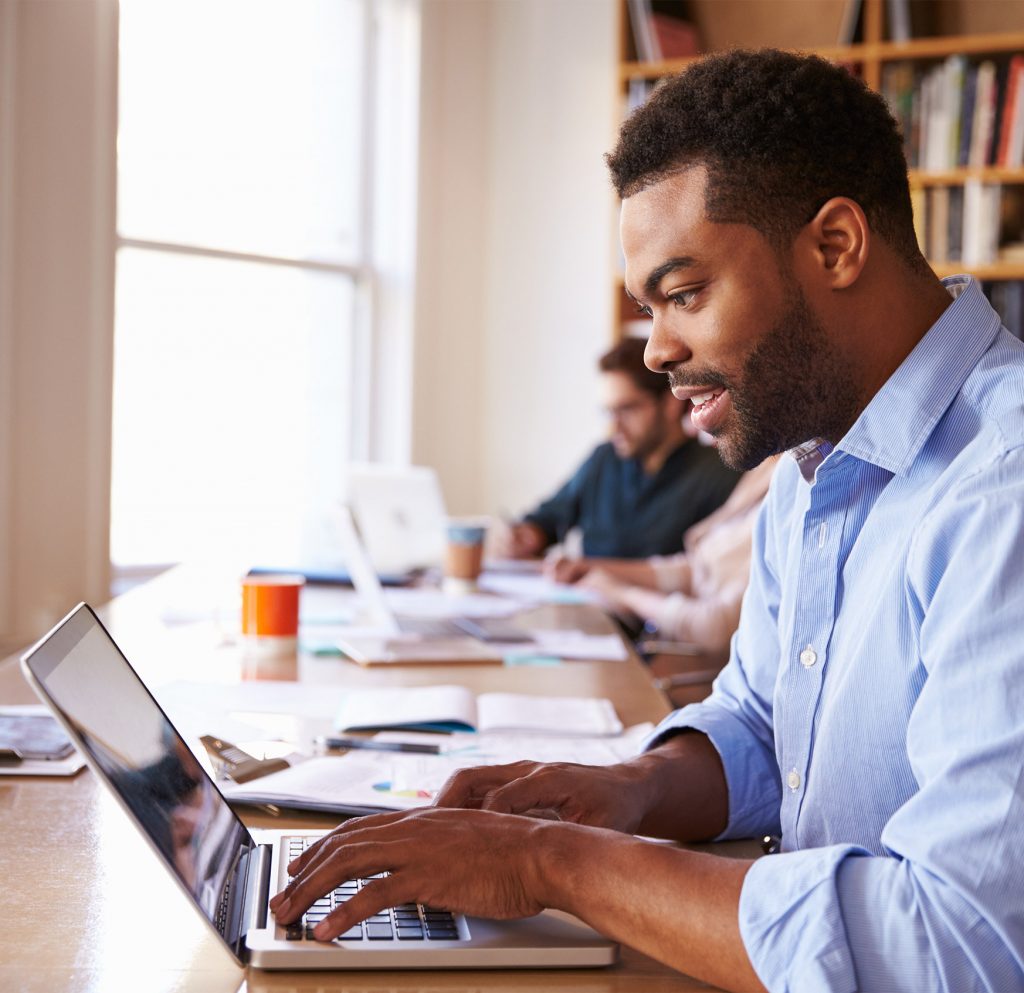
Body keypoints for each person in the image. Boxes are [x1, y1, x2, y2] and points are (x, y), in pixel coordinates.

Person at [272, 49, 1024, 993]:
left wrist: (553, 863)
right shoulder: (811, 460)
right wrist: (629, 788)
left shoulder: (1002, 488)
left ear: (835, 246)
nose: (659, 348)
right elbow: (762, 722)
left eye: (684, 293)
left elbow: (961, 944)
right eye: (647, 305)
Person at [493, 336, 739, 560]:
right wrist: (528, 535)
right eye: (609, 412)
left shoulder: (718, 474)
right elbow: (549, 518)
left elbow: (707, 576)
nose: (615, 427)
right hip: (588, 606)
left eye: (627, 409)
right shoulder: (605, 458)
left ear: (671, 403)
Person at [547, 456, 778, 656]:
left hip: (694, 671)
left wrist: (623, 593)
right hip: (668, 651)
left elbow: (714, 625)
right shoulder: (766, 470)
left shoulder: (784, 483)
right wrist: (594, 567)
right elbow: (694, 571)